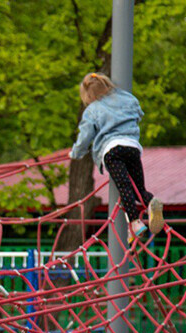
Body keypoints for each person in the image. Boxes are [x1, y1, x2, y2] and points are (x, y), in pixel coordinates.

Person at [70, 72, 164, 244]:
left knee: (124, 186)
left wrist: (76, 153)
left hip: (112, 150)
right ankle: (151, 202)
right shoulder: (127, 98)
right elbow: (139, 114)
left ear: (89, 95)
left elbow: (85, 136)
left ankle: (135, 223)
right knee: (137, 188)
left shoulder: (93, 109)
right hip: (132, 147)